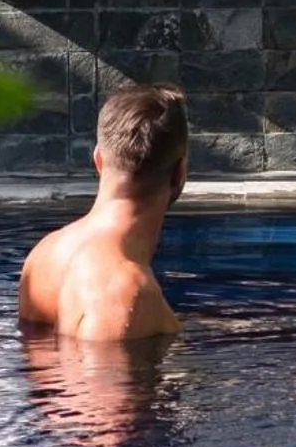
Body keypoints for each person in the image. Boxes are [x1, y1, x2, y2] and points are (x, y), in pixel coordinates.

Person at [19, 84, 188, 342]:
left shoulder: (44, 255)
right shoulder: (126, 291)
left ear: (98, 160)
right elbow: (96, 381)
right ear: (179, 173)